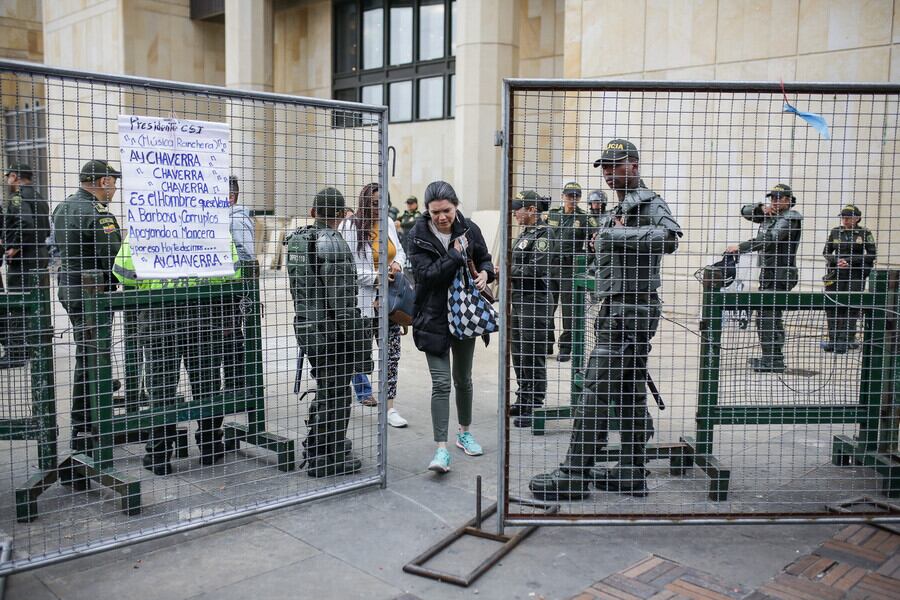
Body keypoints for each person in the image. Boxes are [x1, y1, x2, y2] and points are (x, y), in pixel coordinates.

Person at [530, 139, 681, 500]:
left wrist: (612, 234)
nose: (609, 174)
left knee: (595, 391)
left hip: (632, 313)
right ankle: (631, 471)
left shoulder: (649, 202)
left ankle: (574, 474)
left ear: (634, 165)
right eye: (605, 167)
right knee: (629, 393)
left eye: (616, 166)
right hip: (620, 310)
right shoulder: (622, 206)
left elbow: (670, 237)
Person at [114, 237, 240, 474]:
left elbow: (122, 272)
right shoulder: (210, 227)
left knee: (161, 390)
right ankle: (211, 446)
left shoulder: (145, 228)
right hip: (205, 318)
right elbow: (235, 271)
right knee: (207, 385)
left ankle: (159, 456)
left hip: (159, 320)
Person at [407, 181, 495, 473]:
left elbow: (485, 258)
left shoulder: (469, 229)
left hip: (464, 315)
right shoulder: (418, 235)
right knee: (442, 382)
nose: (442, 217)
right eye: (435, 213)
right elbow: (426, 276)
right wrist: (455, 255)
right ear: (427, 212)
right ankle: (441, 449)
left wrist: (484, 273)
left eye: (446, 210)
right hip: (431, 318)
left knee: (463, 379)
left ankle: (465, 433)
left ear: (456, 206)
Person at [286, 187, 367, 477]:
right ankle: (325, 456)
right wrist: (358, 342)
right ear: (342, 215)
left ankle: (320, 445)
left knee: (327, 387)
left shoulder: (297, 240)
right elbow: (343, 303)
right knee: (336, 395)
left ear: (313, 212)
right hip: (331, 333)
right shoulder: (332, 242)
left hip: (308, 327)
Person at [54, 160, 122, 449]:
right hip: (92, 294)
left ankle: (94, 413)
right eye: (113, 181)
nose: (115, 188)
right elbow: (113, 257)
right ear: (103, 181)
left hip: (69, 287)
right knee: (92, 355)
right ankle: (85, 427)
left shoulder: (64, 206)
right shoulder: (97, 214)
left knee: (89, 350)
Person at [338, 182, 408, 428]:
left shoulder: (387, 222)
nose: (379, 207)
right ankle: (342, 401)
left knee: (391, 356)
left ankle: (389, 408)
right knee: (357, 355)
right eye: (375, 203)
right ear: (364, 202)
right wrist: (377, 278)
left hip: (390, 305)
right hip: (363, 304)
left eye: (383, 203)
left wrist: (398, 263)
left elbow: (399, 251)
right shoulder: (350, 226)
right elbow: (348, 267)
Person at [725, 183, 802, 373]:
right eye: (772, 198)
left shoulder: (790, 218)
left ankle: (774, 360)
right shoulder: (771, 216)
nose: (775, 201)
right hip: (768, 273)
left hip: (781, 274)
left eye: (779, 198)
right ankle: (771, 357)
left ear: (788, 200)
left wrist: (741, 247)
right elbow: (745, 211)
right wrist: (761, 208)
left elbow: (771, 239)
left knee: (769, 316)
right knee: (766, 317)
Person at [508, 191, 553, 428]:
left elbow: (537, 270)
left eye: (519, 208)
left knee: (532, 353)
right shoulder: (525, 234)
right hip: (520, 301)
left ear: (532, 210)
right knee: (519, 352)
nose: (515, 213)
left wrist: (507, 268)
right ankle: (523, 397)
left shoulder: (544, 234)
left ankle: (534, 404)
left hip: (535, 302)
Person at [0, 163, 50, 369]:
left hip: (24, 260)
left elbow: (25, 224)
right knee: (35, 304)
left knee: (18, 305)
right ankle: (32, 347)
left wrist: (15, 247)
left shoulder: (17, 197)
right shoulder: (38, 197)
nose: (6, 181)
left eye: (7, 176)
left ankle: (17, 352)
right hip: (39, 254)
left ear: (14, 176)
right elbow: (45, 227)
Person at [546, 181, 598, 362]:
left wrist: (584, 263)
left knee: (568, 311)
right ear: (563, 196)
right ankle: (546, 343)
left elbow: (596, 241)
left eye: (576, 196)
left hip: (570, 270)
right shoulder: (552, 215)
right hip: (550, 268)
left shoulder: (585, 218)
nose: (572, 199)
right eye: (569, 196)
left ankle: (566, 347)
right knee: (547, 307)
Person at [821, 204, 876, 354]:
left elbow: (871, 254)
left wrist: (850, 261)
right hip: (836, 273)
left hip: (855, 274)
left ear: (857, 218)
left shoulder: (864, 233)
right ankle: (833, 340)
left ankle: (845, 340)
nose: (845, 220)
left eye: (848, 218)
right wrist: (836, 260)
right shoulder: (835, 232)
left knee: (851, 307)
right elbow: (826, 251)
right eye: (843, 218)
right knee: (832, 306)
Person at [222, 175, 255, 392]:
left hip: (232, 291)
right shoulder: (228, 219)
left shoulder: (236, 221)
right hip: (226, 289)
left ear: (230, 197)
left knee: (232, 335)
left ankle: (238, 386)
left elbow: (246, 256)